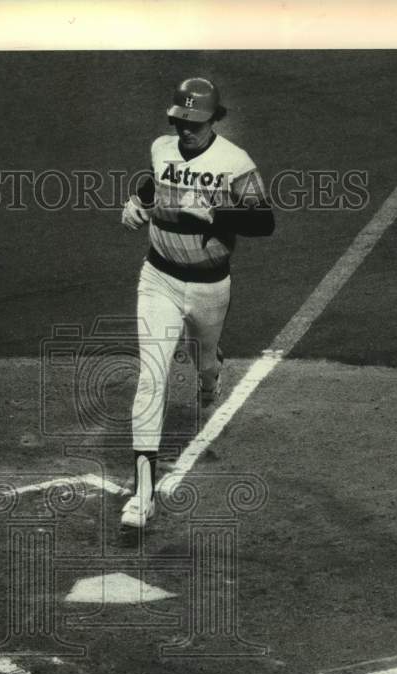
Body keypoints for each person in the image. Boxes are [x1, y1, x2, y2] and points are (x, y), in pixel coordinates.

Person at [119, 77, 276, 530]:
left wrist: (217, 212)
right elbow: (155, 183)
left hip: (209, 286)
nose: (185, 130)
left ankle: (211, 371)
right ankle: (143, 495)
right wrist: (137, 203)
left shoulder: (234, 163)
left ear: (212, 120)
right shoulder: (161, 147)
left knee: (203, 364)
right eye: (178, 121)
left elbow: (264, 221)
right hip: (159, 280)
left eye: (193, 123)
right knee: (151, 377)